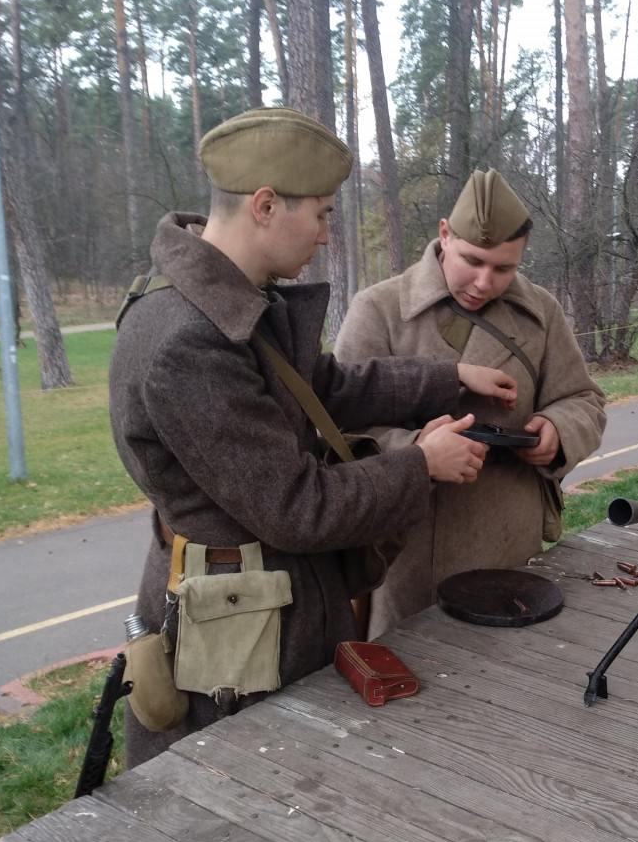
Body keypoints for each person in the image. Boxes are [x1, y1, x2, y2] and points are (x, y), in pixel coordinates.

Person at [108, 108, 517, 766]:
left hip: (260, 606)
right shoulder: (188, 342)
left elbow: (322, 385)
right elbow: (297, 508)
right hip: (242, 633)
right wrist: (421, 464)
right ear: (266, 206)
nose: (328, 235)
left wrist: (447, 378)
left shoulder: (221, 303)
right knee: (251, 801)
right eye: (322, 214)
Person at [334, 169, 607, 638]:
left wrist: (558, 429)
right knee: (412, 675)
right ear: (444, 234)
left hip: (507, 540)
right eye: (472, 261)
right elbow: (337, 428)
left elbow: (584, 399)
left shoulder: (541, 312)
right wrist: (418, 449)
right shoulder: (379, 308)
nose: (484, 282)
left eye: (504, 269)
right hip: (407, 550)